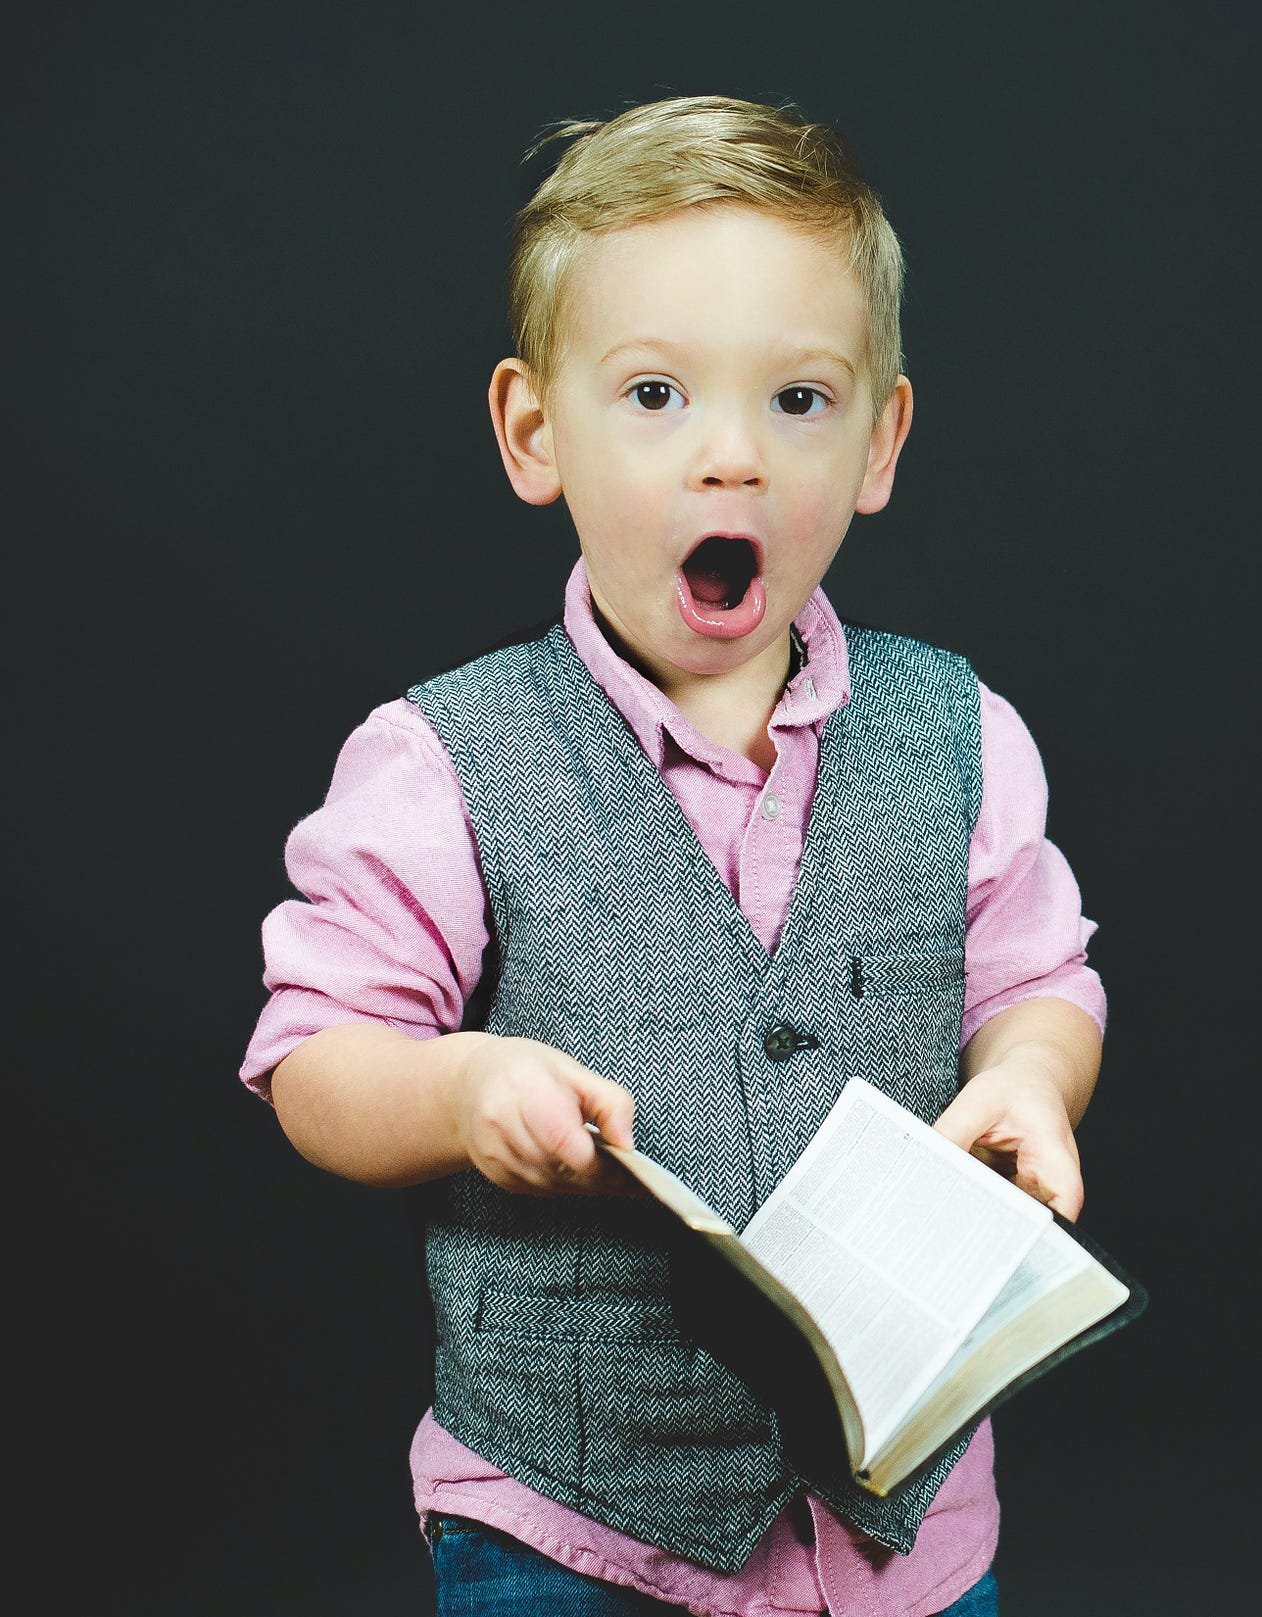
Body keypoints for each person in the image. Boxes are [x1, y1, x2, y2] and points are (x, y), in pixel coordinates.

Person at [241, 94, 1106, 1617]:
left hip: (901, 1534)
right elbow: (315, 1057)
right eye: (653, 394)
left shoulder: (962, 733)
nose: (731, 458)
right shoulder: (441, 762)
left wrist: (1034, 1072)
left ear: (881, 438)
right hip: (572, 1527)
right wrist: (456, 1087)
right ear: (534, 431)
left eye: (798, 400)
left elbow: (1039, 976)